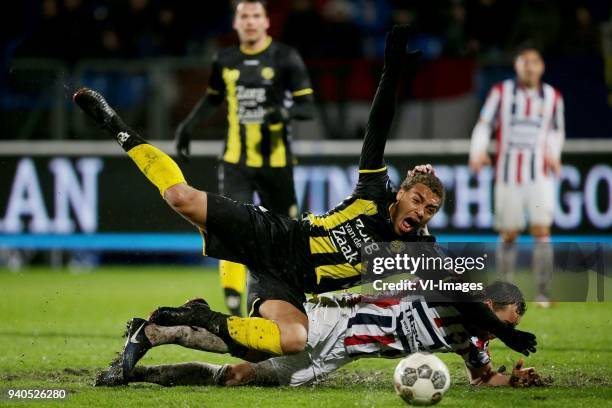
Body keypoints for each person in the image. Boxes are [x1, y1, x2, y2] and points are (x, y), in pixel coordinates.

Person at [74, 26, 536, 376]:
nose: (420, 213)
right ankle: (117, 125)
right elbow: (378, 126)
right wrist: (392, 71)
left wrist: (501, 331)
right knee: (179, 197)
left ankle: (194, 317)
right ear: (401, 193)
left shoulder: (419, 249)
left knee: (291, 339)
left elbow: (457, 294)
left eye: (430, 210)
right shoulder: (374, 192)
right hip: (278, 235)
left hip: (291, 281)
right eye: (417, 200)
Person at [96, 282, 544, 388]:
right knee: (260, 340)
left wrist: (515, 381)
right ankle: (167, 326)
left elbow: (483, 378)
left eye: (513, 328)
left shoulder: (471, 341)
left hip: (340, 356)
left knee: (240, 376)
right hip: (335, 321)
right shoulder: (452, 295)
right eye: (506, 323)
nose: (506, 332)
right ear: (490, 307)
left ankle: (141, 376)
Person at [175, 0, 315, 317]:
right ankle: (234, 300)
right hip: (236, 161)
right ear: (236, 24)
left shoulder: (285, 57)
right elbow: (213, 99)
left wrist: (283, 111)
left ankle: (291, 293)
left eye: (255, 16)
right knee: (229, 224)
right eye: (244, 17)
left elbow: (307, 107)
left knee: (287, 231)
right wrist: (189, 125)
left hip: (277, 163)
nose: (250, 22)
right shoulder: (225, 60)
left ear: (266, 22)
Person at [469, 46, 564, 306]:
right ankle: (504, 292)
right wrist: (477, 152)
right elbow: (485, 124)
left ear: (542, 66)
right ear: (517, 65)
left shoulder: (552, 96)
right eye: (525, 62)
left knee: (542, 231)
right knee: (509, 233)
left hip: (539, 176)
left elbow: (556, 131)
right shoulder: (502, 93)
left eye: (534, 62)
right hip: (508, 174)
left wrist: (554, 154)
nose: (530, 67)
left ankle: (543, 293)